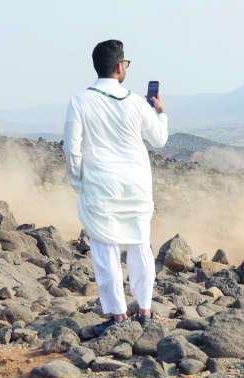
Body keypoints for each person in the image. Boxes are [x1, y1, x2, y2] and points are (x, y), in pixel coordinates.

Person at [63, 39, 168, 334]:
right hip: (137, 185)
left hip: (100, 185)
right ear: (120, 67)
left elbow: (71, 149)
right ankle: (145, 312)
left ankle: (118, 316)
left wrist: (78, 181)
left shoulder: (80, 101)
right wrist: (160, 112)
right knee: (140, 246)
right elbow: (159, 139)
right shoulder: (137, 103)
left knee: (105, 249)